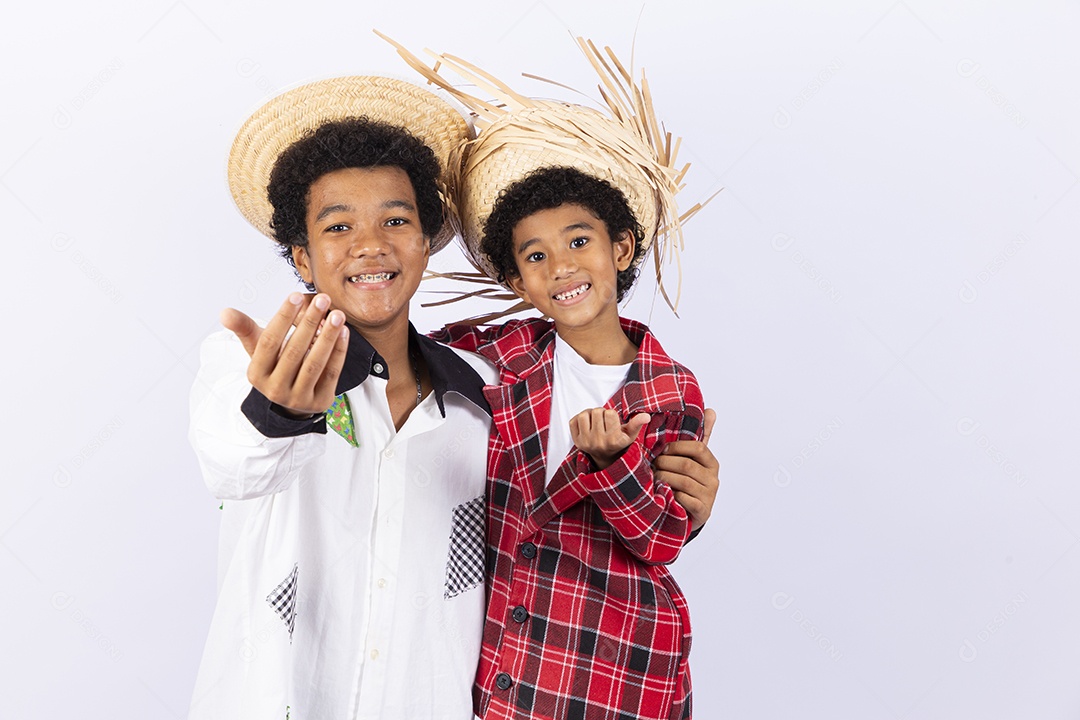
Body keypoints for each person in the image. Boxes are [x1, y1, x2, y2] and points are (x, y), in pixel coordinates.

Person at [189, 76, 719, 720]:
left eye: (396, 220)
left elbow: (560, 500)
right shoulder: (249, 364)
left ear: (424, 244)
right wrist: (283, 412)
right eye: (338, 226)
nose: (370, 243)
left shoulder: (487, 390)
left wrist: (678, 499)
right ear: (302, 258)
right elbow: (236, 461)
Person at [383, 37, 718, 720]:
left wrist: (615, 463)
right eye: (535, 255)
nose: (562, 266)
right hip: (514, 666)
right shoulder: (504, 355)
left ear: (620, 247)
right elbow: (408, 352)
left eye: (578, 240)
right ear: (516, 281)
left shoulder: (669, 390)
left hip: (617, 665)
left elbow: (663, 538)